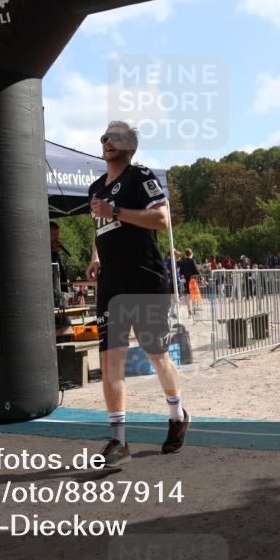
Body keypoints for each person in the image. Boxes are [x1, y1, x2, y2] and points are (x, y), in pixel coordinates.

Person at [86, 121, 190, 467]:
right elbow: (99, 228)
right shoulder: (95, 188)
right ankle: (118, 442)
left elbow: (162, 220)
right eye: (104, 136)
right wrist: (95, 257)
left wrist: (116, 211)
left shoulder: (139, 176)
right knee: (109, 362)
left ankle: (177, 416)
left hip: (145, 281)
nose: (106, 140)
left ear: (130, 146)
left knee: (156, 354)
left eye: (114, 137)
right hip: (112, 287)